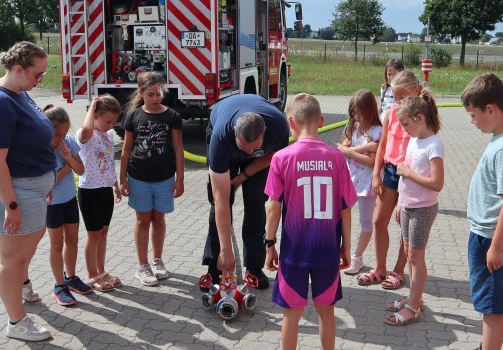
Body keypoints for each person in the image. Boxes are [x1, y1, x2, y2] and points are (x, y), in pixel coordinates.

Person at [264, 93, 356, 350]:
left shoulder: (281, 158)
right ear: (322, 121)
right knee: (326, 311)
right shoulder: (337, 157)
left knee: (292, 312)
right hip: (327, 250)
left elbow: (273, 208)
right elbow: (345, 209)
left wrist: (269, 244)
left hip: (294, 251)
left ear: (290, 123)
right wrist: (346, 248)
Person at [0, 41, 55, 341]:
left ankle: (21, 290)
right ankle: (16, 323)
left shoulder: (19, 93)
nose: (40, 81)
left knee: (21, 257)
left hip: (30, 189)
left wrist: (43, 183)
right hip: (14, 193)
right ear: (18, 69)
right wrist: (11, 205)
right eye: (38, 75)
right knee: (12, 261)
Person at [461, 73, 503, 350]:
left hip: (493, 238)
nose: (471, 121)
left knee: (492, 305)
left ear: (491, 109)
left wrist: (496, 247)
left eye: (474, 115)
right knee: (489, 301)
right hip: (488, 235)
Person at [202, 94, 290, 291]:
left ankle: (254, 267)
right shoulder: (221, 136)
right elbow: (221, 199)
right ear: (234, 133)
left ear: (264, 132)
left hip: (262, 161)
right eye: (244, 148)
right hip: (225, 147)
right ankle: (215, 265)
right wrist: (227, 249)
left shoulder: (278, 126)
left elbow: (273, 155)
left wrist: (244, 176)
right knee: (219, 205)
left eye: (254, 148)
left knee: (256, 203)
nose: (248, 153)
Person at [120, 72, 184, 287]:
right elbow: (126, 149)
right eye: (150, 94)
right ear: (141, 93)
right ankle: (142, 265)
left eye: (158, 94)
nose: (156, 98)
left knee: (159, 219)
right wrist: (122, 179)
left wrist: (180, 179)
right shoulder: (133, 116)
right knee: (142, 220)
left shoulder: (172, 116)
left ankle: (157, 261)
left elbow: (178, 148)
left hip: (165, 179)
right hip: (138, 178)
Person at [385, 91, 444, 326]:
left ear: (420, 118)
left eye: (406, 124)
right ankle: (413, 298)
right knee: (411, 256)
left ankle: (413, 305)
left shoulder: (434, 145)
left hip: (423, 208)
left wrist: (408, 173)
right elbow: (404, 176)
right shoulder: (414, 140)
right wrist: (401, 202)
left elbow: (437, 183)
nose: (403, 129)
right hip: (409, 206)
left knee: (416, 257)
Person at [358, 71, 421, 290]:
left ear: (417, 92)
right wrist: (377, 173)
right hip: (391, 171)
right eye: (395, 98)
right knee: (378, 220)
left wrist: (405, 191)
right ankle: (379, 268)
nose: (398, 102)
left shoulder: (422, 116)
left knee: (405, 226)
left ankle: (398, 270)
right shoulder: (393, 113)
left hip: (409, 176)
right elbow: (383, 144)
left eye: (402, 98)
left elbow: (421, 151)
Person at [42, 104, 92, 306]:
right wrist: (65, 165)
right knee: (56, 244)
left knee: (73, 239)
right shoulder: (41, 149)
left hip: (70, 199)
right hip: (52, 204)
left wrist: (70, 157)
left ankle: (70, 277)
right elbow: (49, 182)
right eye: (57, 135)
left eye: (64, 134)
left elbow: (80, 170)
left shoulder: (69, 143)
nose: (61, 139)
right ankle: (59, 285)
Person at [78, 95, 123, 292]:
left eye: (114, 122)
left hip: (105, 189)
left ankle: (101, 271)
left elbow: (109, 163)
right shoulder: (86, 135)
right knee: (94, 235)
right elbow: (86, 130)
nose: (111, 126)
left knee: (104, 233)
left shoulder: (107, 136)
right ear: (94, 115)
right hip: (90, 192)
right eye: (107, 121)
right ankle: (91, 275)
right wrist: (92, 107)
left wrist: (115, 184)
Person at [337, 90, 382, 275]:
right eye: (354, 113)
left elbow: (371, 161)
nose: (356, 117)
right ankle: (340, 251)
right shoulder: (352, 128)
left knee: (365, 222)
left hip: (366, 184)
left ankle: (357, 256)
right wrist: (364, 148)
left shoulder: (377, 131)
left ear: (370, 110)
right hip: (349, 181)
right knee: (339, 215)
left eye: (360, 113)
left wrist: (350, 152)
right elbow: (342, 150)